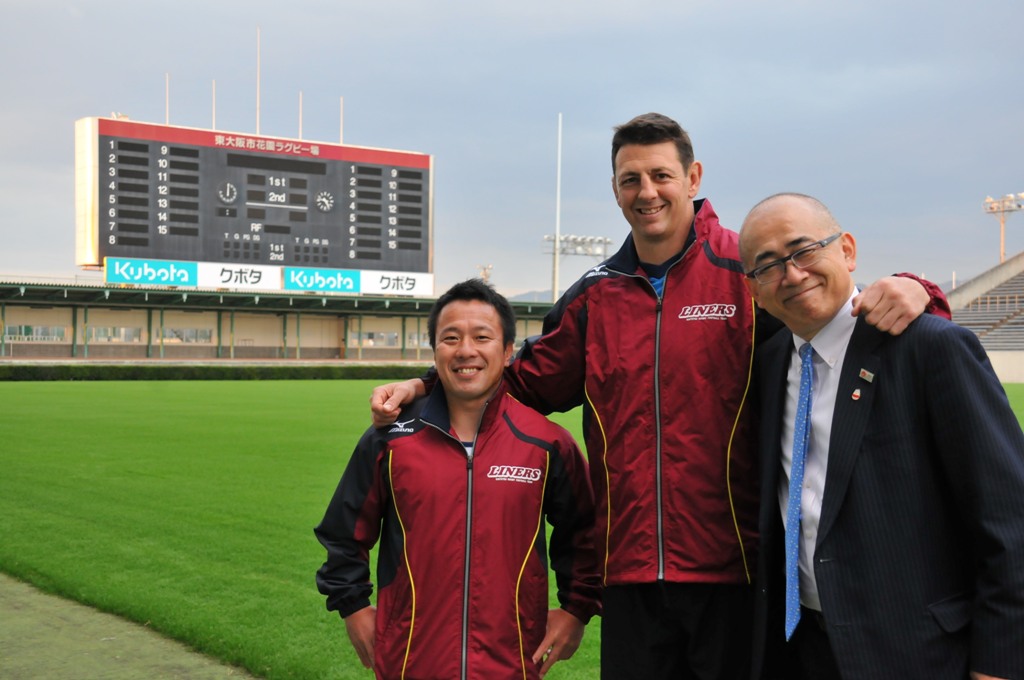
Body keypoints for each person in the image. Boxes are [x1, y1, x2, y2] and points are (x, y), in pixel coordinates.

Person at [371, 114, 949, 679]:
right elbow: (519, 380)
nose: (646, 192)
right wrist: (425, 383)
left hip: (737, 569)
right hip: (629, 573)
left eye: (661, 176)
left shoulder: (744, 270)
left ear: (693, 179)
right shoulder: (595, 295)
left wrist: (916, 289)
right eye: (630, 180)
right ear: (617, 192)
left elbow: (834, 313)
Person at [739, 193, 1024, 680]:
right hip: (801, 647)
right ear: (755, 291)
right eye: (767, 266)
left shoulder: (931, 349)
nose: (792, 273)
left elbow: (1009, 520)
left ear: (847, 251)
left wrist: (997, 666)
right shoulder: (767, 365)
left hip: (917, 652)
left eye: (804, 250)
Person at [315, 278, 601, 679]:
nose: (466, 350)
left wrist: (576, 609)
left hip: (512, 661)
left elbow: (584, 534)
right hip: (410, 659)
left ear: (506, 353)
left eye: (482, 337)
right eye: (451, 338)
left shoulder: (548, 443)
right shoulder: (389, 441)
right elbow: (345, 532)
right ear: (435, 351)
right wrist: (354, 607)